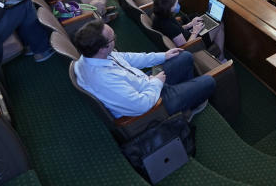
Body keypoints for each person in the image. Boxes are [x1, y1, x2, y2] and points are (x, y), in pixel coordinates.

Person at [72, 20, 216, 119]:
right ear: (102, 48)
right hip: (153, 103)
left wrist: (163, 56)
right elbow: (140, 106)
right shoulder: (103, 79)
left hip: (144, 83)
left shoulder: (93, 55)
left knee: (184, 57)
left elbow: (128, 58)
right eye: (113, 38)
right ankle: (181, 104)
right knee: (209, 81)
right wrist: (156, 83)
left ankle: (186, 103)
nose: (115, 39)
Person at [151, 0, 226, 59]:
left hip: (188, 35)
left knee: (201, 19)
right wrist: (195, 31)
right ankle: (221, 58)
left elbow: (178, 30)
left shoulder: (160, 16)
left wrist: (190, 24)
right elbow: (186, 48)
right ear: (169, 8)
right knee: (219, 24)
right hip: (193, 44)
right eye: (176, 4)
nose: (178, 5)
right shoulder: (170, 27)